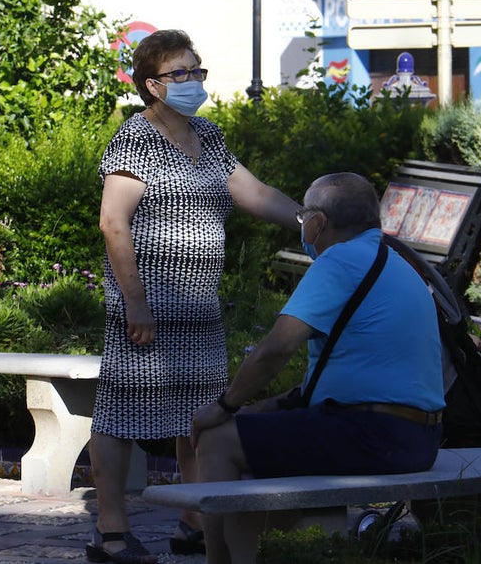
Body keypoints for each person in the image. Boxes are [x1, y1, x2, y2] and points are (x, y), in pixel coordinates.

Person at [87, 29, 301, 564]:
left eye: (195, 71)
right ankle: (111, 532)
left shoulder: (208, 136)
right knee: (121, 416)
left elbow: (254, 194)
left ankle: (194, 519)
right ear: (152, 85)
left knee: (201, 417)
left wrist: (313, 219)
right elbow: (113, 223)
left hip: (200, 309)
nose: (191, 82)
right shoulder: (135, 139)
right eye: (178, 74)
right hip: (147, 312)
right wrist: (135, 303)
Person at [190, 172, 446, 564]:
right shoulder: (393, 258)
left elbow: (275, 349)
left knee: (216, 440)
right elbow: (336, 383)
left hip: (376, 434)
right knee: (243, 429)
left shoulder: (340, 260)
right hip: (415, 436)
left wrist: (222, 406)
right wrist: (252, 410)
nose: (302, 226)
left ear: (318, 222)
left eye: (303, 217)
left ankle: (218, 561)